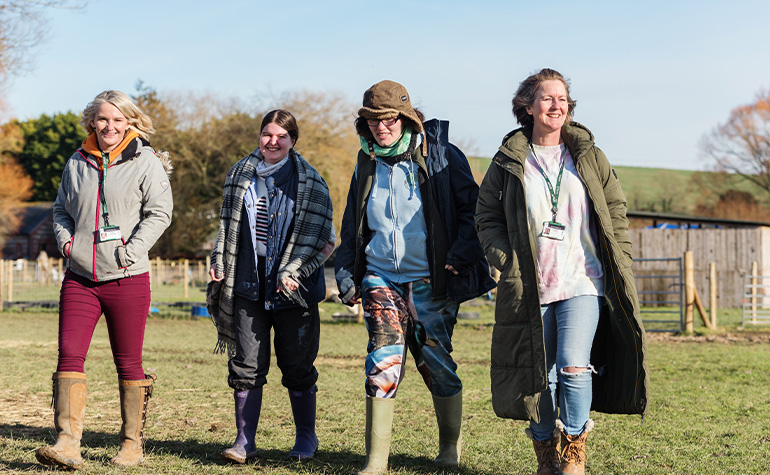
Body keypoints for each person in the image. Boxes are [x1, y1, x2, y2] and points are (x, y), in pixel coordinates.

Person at [475, 68, 650, 475]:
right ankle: (544, 452)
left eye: (562, 98)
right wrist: (508, 260)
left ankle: (574, 453)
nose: (557, 105)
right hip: (530, 285)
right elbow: (486, 217)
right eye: (547, 98)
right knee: (539, 376)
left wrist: (619, 254)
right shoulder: (508, 161)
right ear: (528, 106)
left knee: (573, 365)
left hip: (582, 279)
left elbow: (616, 210)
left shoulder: (589, 155)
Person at [335, 80, 495, 475]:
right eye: (373, 121)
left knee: (435, 362)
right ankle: (376, 462)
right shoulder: (365, 160)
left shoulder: (439, 156)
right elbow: (353, 223)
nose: (381, 128)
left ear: (406, 118)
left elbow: (471, 210)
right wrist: (347, 273)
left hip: (431, 280)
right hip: (381, 277)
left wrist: (462, 254)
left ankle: (449, 449)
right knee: (383, 358)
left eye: (389, 119)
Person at [37, 90, 173, 470]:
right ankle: (67, 441)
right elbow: (61, 209)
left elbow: (160, 213)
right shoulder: (76, 162)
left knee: (128, 361)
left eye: (117, 119)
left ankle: (132, 444)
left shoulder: (146, 162)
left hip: (128, 277)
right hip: (80, 276)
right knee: (69, 354)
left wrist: (130, 251)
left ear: (129, 121)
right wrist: (66, 244)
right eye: (102, 119)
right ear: (91, 122)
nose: (109, 126)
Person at [207, 109, 335, 463]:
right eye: (267, 134)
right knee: (246, 365)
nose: (273, 141)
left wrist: (298, 269)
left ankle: (306, 438)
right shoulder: (239, 176)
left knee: (297, 366)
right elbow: (226, 228)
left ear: (293, 141)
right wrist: (220, 259)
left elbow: (326, 239)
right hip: (247, 283)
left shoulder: (311, 182)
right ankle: (244, 440)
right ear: (259, 136)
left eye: (281, 136)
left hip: (295, 288)